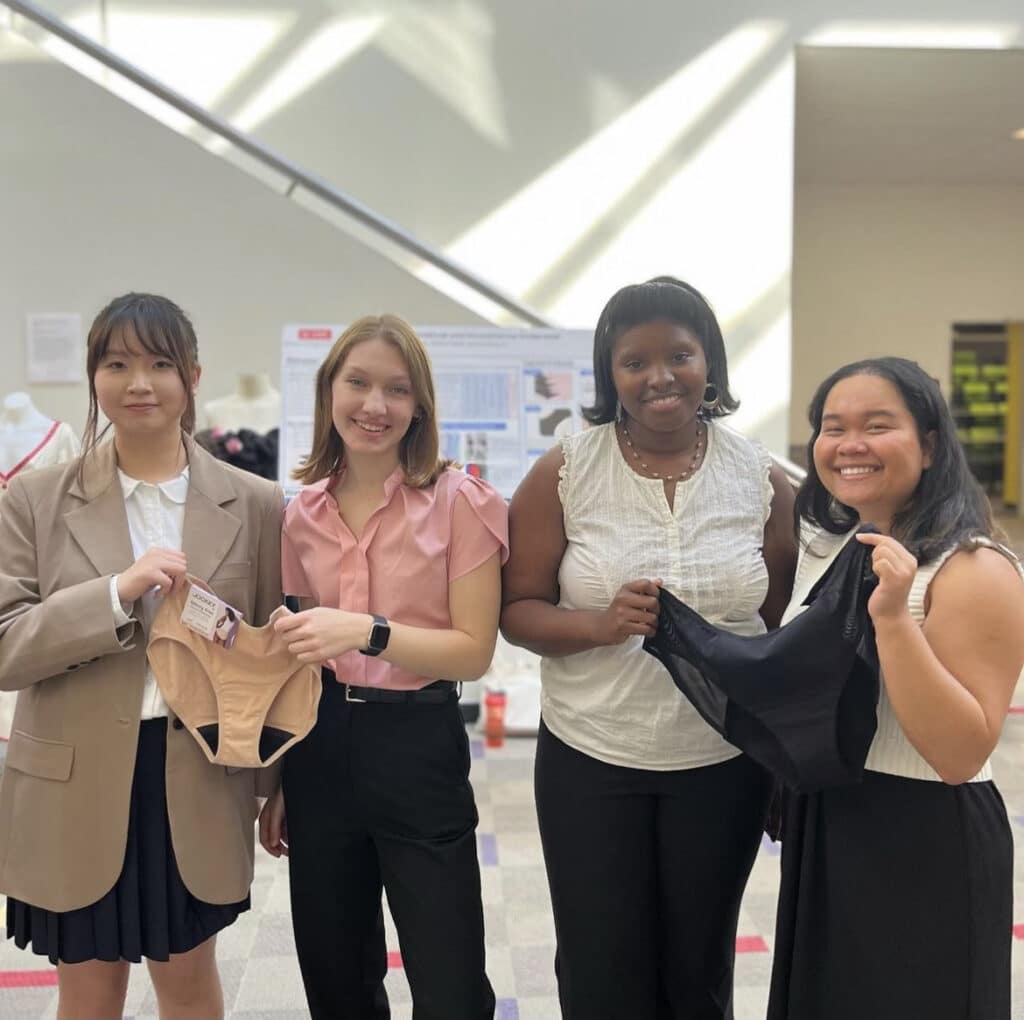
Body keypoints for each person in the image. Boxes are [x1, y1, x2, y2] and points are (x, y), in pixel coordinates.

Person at [501, 276, 797, 1019]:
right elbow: (516, 610)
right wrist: (597, 625)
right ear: (610, 375)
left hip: (722, 763)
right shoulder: (565, 472)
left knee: (698, 967)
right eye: (635, 361)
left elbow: (777, 631)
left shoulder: (760, 479)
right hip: (591, 758)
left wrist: (781, 754)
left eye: (680, 355)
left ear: (709, 364)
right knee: (603, 968)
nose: (659, 376)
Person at [0, 293, 284, 1020]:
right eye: (117, 363)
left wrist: (276, 785)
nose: (139, 383)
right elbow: (6, 645)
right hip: (72, 781)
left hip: (196, 774)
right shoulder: (33, 499)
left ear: (192, 375)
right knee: (90, 993)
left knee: (190, 984)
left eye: (160, 363)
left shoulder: (253, 503)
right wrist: (111, 597)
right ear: (92, 376)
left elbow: (268, 657)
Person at [258, 313, 507, 1020]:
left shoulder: (462, 501)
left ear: (419, 406)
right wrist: (277, 779)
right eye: (358, 383)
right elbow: (300, 661)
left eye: (397, 390)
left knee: (450, 979)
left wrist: (367, 631)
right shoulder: (299, 513)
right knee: (335, 973)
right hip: (321, 743)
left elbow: (473, 649)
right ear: (328, 392)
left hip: (417, 740)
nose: (375, 405)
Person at [767, 357, 1024, 1020]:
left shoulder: (974, 567)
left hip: (924, 836)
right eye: (833, 426)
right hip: (834, 820)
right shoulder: (839, 544)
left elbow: (960, 752)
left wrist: (891, 620)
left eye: (877, 425)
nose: (850, 444)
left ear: (930, 443)